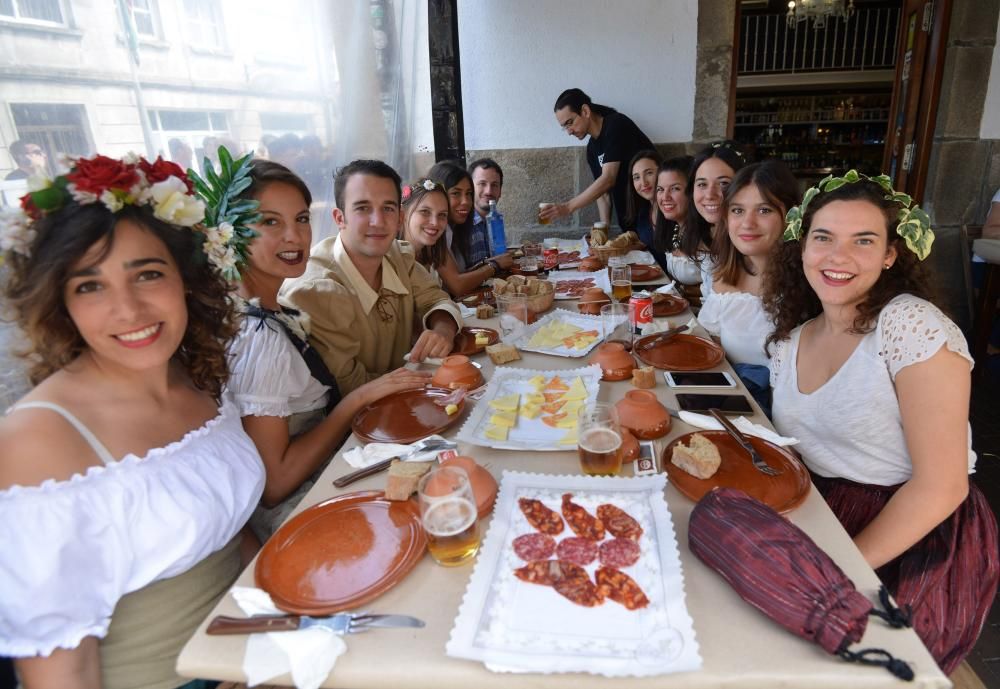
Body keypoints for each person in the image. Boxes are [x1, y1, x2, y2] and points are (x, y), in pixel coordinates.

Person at [0, 153, 265, 688]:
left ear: (186, 280)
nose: (129, 310)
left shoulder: (195, 380)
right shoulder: (37, 442)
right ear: (61, 303)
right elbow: (62, 672)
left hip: (261, 650)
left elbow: (230, 535)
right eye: (90, 286)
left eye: (147, 274)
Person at [761, 171, 999, 674]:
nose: (837, 257)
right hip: (822, 510)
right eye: (823, 237)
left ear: (891, 253)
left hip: (916, 535)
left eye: (863, 241)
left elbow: (942, 486)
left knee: (848, 670)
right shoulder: (791, 339)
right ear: (802, 246)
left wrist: (839, 569)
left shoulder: (909, 325)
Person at [227, 160, 430, 540]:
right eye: (271, 222)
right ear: (232, 233)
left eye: (301, 218)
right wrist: (356, 401)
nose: (294, 236)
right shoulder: (260, 336)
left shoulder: (271, 310)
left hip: (340, 460)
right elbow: (275, 484)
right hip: (303, 506)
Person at [280, 159, 462, 395]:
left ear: (399, 218)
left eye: (387, 208)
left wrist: (442, 329)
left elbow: (436, 299)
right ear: (339, 218)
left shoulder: (399, 256)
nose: (377, 221)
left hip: (402, 399)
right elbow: (349, 385)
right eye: (363, 208)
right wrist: (426, 381)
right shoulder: (316, 290)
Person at [697, 160, 798, 415]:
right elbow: (711, 348)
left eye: (764, 210)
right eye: (738, 210)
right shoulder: (724, 275)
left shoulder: (810, 285)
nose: (747, 223)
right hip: (732, 411)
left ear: (791, 216)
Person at [541, 88, 654, 229]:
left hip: (650, 215)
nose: (569, 131)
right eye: (565, 127)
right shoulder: (592, 149)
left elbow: (608, 178)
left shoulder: (616, 124)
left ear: (585, 111)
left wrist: (568, 207)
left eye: (570, 122)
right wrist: (603, 229)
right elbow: (603, 194)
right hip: (628, 221)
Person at [398, 177, 507, 298]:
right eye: (425, 212)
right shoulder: (393, 259)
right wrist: (494, 265)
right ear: (403, 214)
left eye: (442, 215)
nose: (435, 222)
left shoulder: (433, 248)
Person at [683, 142, 745, 299]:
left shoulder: (747, 246)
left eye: (723, 183)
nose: (710, 194)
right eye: (702, 184)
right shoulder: (708, 234)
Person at [428, 160, 489, 272]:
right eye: (456, 193)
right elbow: (458, 286)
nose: (466, 201)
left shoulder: (455, 230)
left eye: (469, 193)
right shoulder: (434, 233)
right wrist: (494, 265)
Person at [652, 155, 698, 284]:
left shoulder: (706, 235)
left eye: (675, 189)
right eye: (660, 189)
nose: (665, 197)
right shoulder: (674, 228)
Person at [623, 149, 663, 267]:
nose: (643, 182)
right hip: (654, 277)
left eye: (649, 173)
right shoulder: (644, 211)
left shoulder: (673, 211)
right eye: (636, 177)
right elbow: (648, 244)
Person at [469, 157, 504, 252]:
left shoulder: (496, 220)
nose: (488, 191)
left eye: (494, 185)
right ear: (470, 188)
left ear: (500, 191)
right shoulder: (464, 225)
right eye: (482, 183)